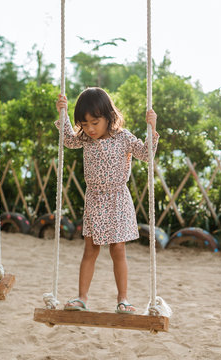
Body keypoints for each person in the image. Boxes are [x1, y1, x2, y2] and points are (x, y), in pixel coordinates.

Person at [55, 87, 159, 314]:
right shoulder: (84, 139)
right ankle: (82, 297)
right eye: (84, 124)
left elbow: (145, 154)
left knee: (118, 249)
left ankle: (123, 299)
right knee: (90, 249)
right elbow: (67, 141)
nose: (90, 129)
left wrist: (152, 128)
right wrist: (62, 114)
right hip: (94, 199)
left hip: (117, 198)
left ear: (109, 116)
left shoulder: (123, 138)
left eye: (95, 122)